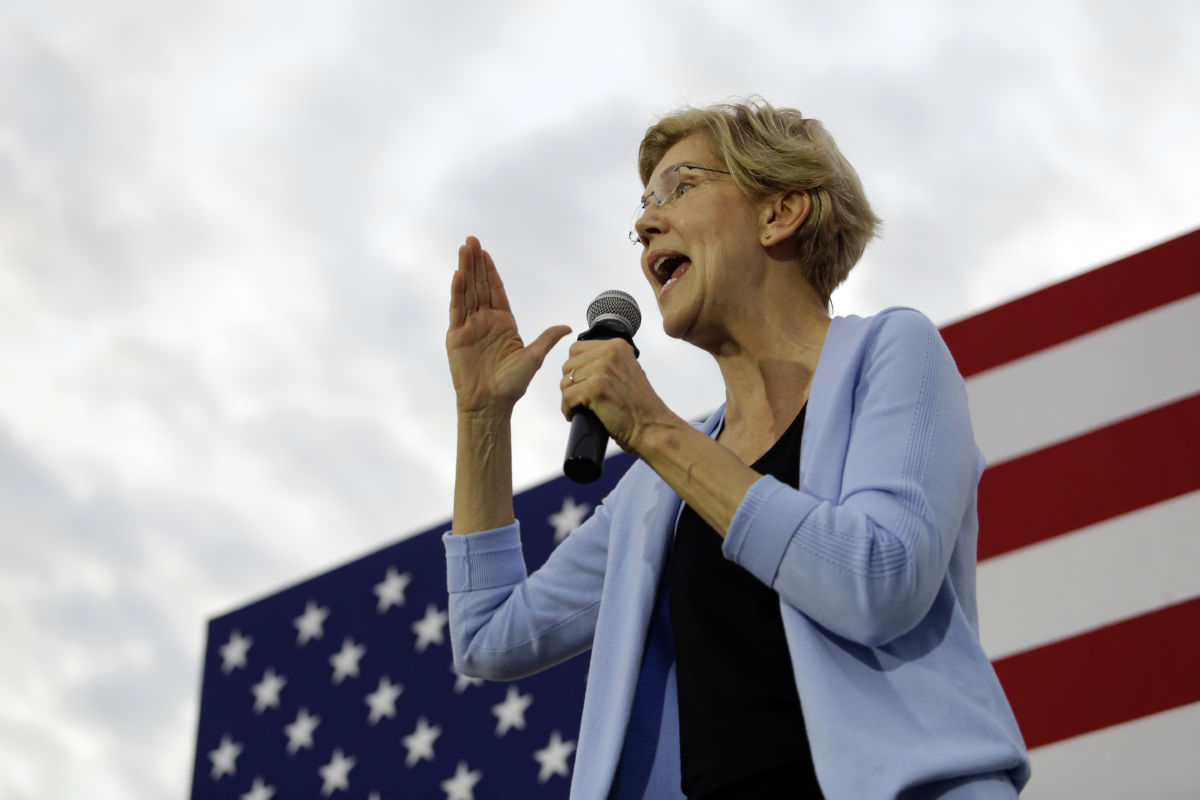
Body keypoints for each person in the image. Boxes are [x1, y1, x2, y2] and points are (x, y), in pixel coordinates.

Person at [443, 98, 1030, 799]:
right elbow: (490, 637)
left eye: (682, 188)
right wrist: (482, 415)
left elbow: (881, 581)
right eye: (644, 207)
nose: (645, 222)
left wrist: (654, 430)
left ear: (779, 213)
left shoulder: (892, 351)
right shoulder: (656, 492)